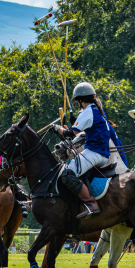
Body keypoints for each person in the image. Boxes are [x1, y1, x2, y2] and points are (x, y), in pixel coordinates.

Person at [54, 82, 112, 219]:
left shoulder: (88, 111)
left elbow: (71, 134)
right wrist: (74, 124)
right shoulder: (97, 109)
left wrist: (56, 128)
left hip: (94, 153)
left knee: (67, 174)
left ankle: (91, 204)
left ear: (80, 100)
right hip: (103, 154)